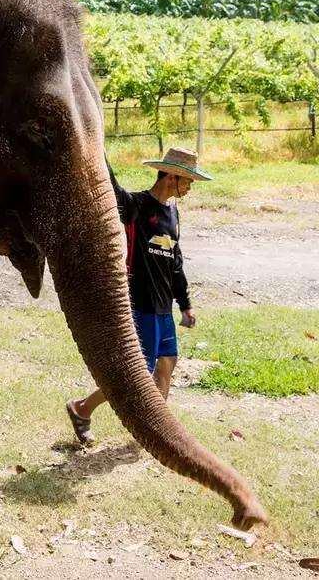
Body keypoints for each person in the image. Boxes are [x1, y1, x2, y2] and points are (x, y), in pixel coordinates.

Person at [65, 146, 212, 445]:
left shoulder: (174, 215)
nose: (189, 188)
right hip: (139, 305)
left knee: (168, 361)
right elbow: (109, 184)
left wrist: (185, 304)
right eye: (188, 182)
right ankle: (82, 408)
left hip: (163, 308)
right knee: (136, 375)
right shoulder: (135, 206)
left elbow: (176, 264)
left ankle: (155, 430)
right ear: (173, 177)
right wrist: (94, 147)